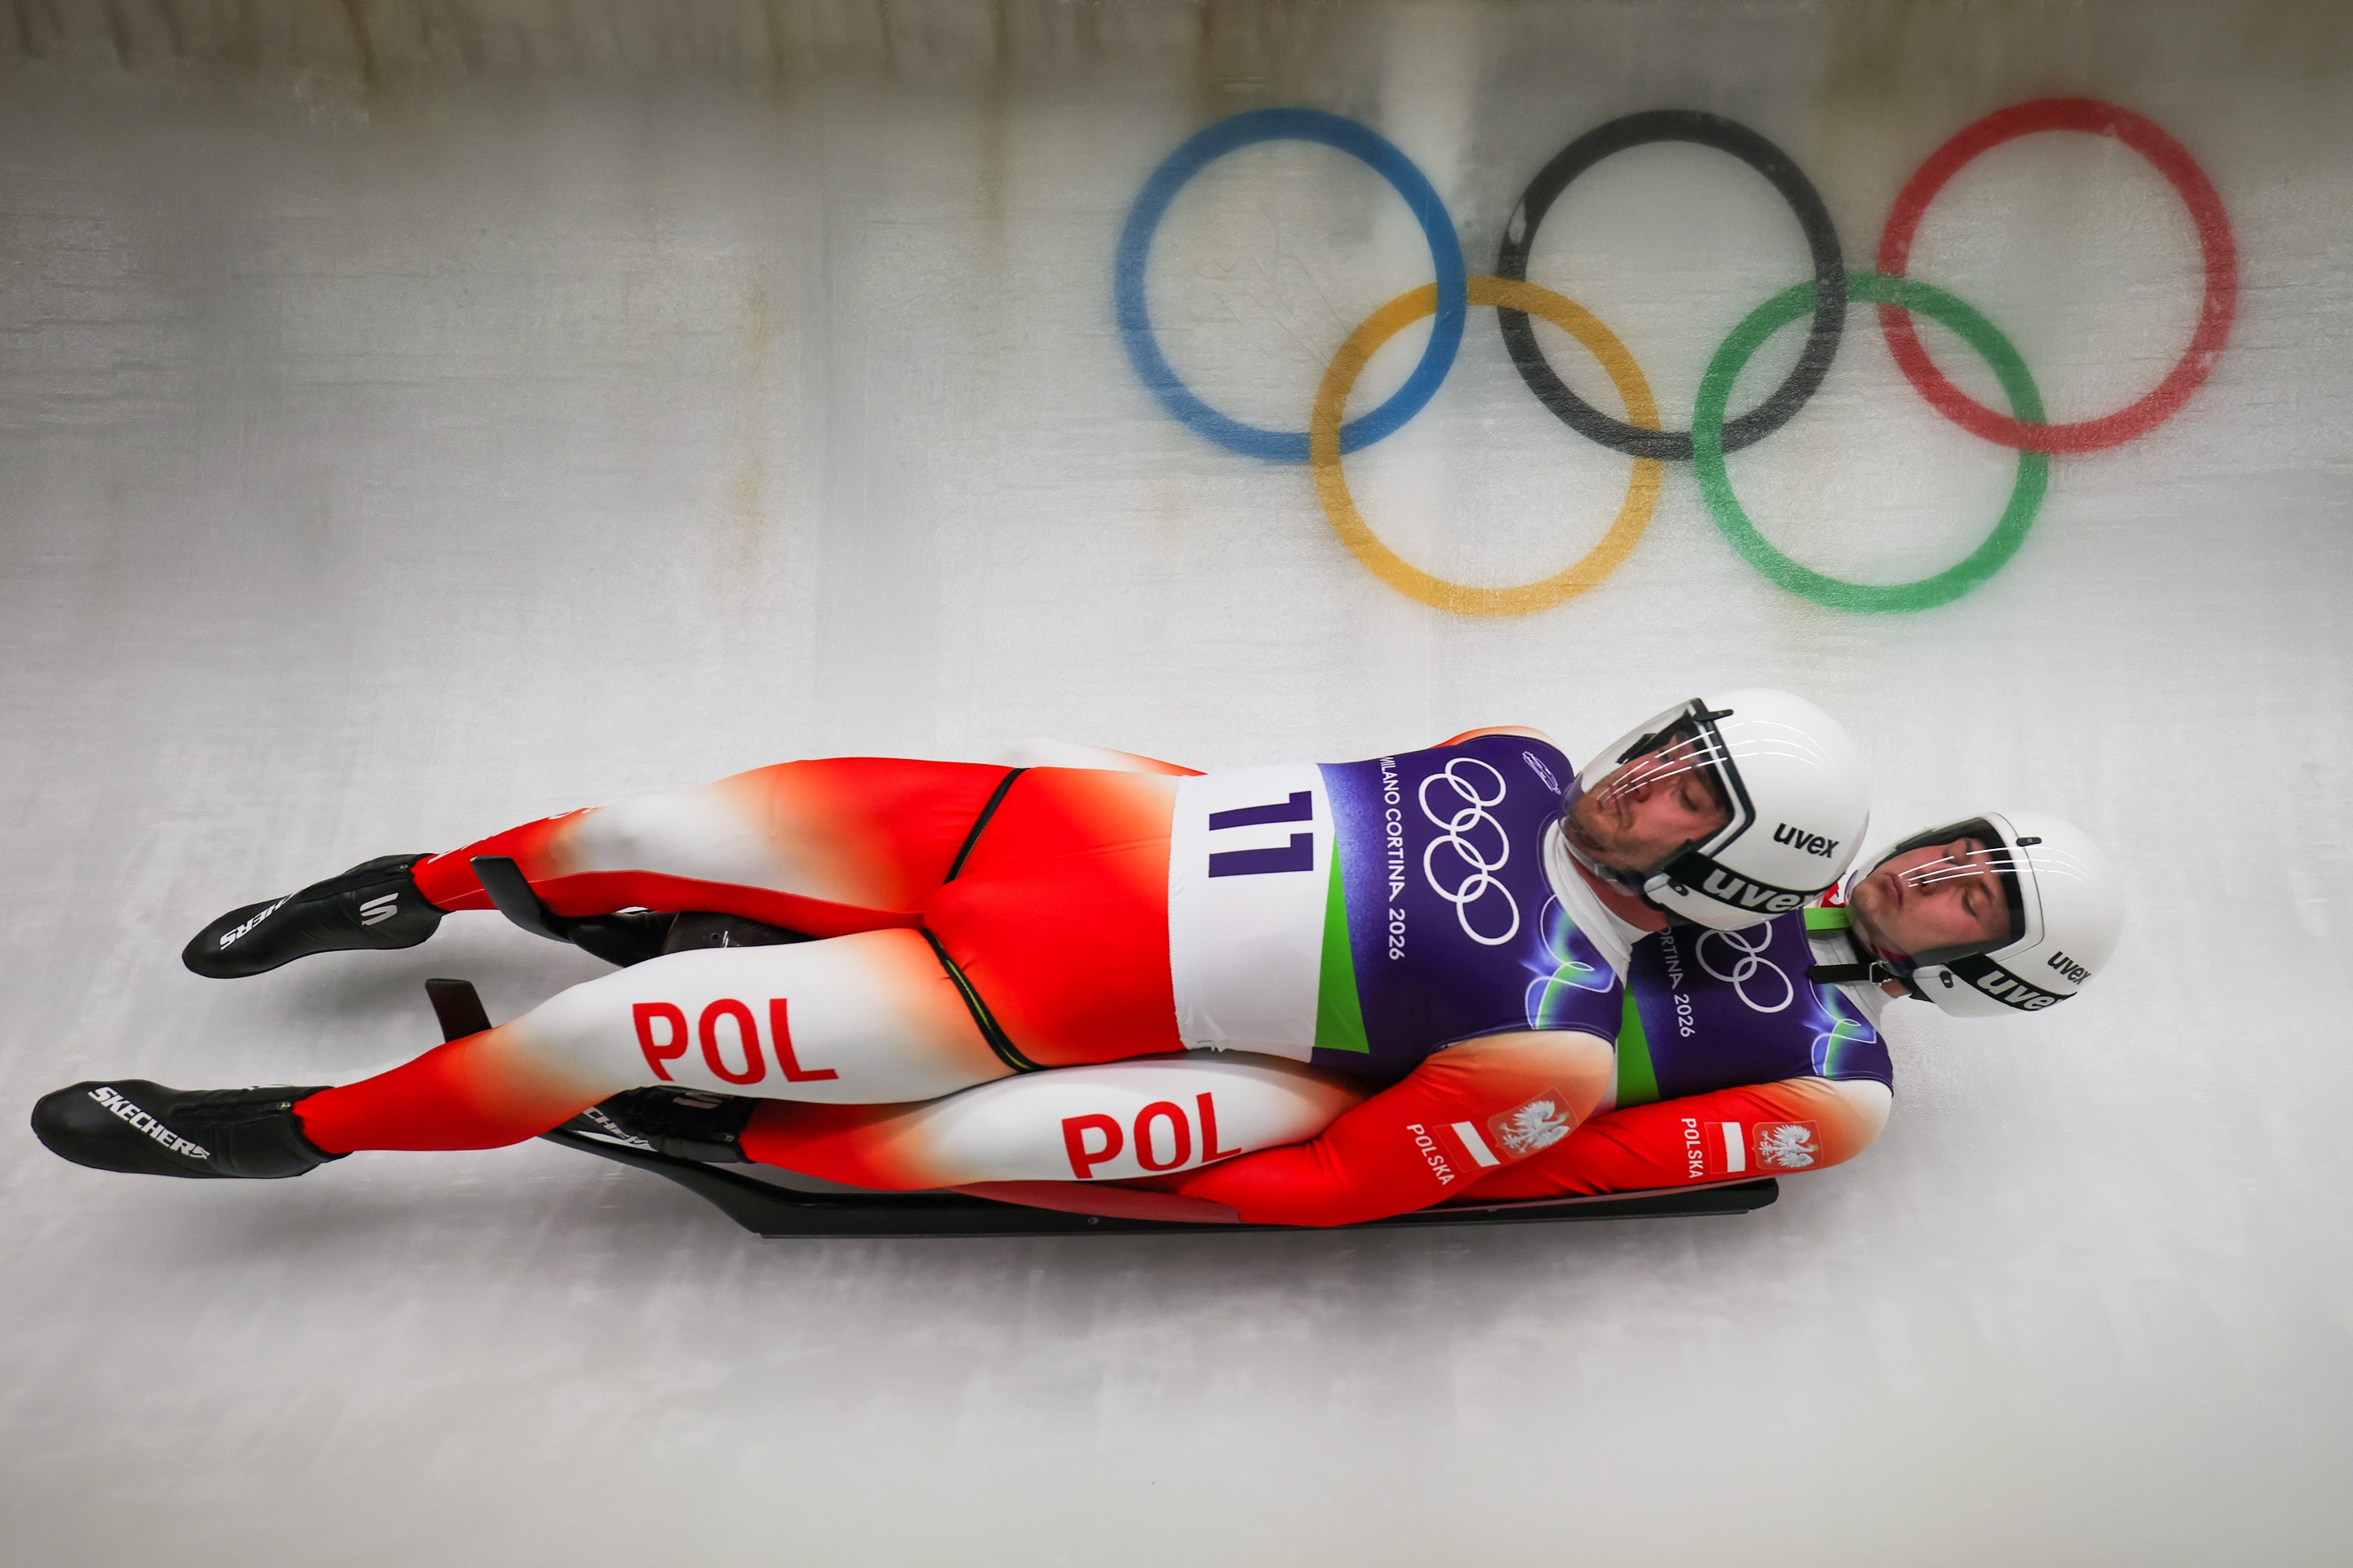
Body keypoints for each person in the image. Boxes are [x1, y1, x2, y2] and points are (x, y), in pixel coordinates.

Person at [31, 691, 1872, 1201]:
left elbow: (1326, 1185)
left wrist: (1023, 1166)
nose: (1638, 780)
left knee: (637, 1022)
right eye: (1667, 745)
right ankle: (411, 883)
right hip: (1007, 821)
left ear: (1727, 875)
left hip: (996, 1002)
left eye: (1685, 800)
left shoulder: (1548, 1032)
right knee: (645, 830)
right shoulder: (1522, 753)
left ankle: (297, 1133)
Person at [685, 810, 2122, 1225]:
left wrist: (1395, 1154)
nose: (1934, 871)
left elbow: (1566, 1162)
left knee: (1067, 1122)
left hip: (1368, 1085)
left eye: (1972, 902)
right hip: (1340, 950)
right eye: (1958, 849)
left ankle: (785, 1138)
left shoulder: (1840, 1085)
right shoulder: (1767, 837)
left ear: (1978, 975)